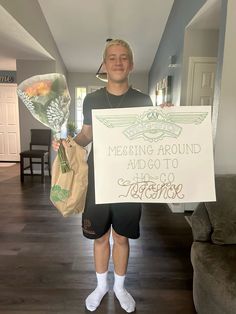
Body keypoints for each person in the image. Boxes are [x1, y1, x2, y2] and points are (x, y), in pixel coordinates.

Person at [53, 39, 153, 312]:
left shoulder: (143, 100)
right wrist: (68, 144)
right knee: (99, 237)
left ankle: (120, 287)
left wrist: (165, 118)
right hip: (97, 181)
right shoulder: (93, 99)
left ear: (131, 64)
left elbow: (151, 139)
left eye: (123, 57)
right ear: (105, 65)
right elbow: (86, 135)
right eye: (112, 57)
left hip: (129, 182)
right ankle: (101, 286)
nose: (118, 62)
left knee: (121, 237)